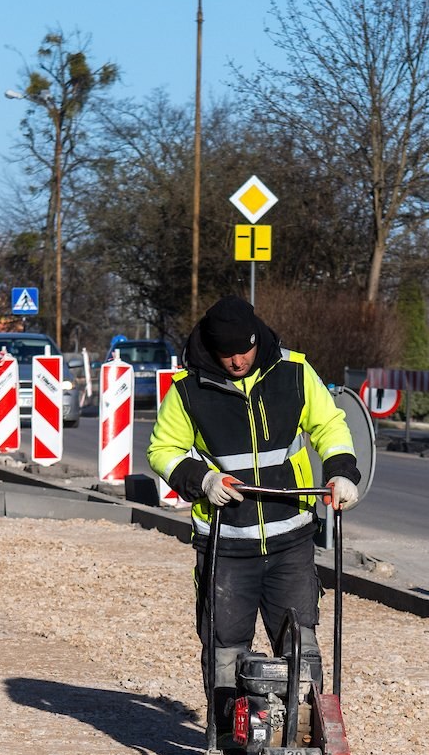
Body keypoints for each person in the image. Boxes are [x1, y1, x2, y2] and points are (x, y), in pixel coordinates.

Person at [147, 294, 360, 725]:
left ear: (256, 339)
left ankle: (305, 730)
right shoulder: (188, 390)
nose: (237, 360)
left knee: (301, 640)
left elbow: (329, 425)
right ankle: (227, 736)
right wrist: (202, 481)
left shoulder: (294, 372)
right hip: (225, 545)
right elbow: (162, 449)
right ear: (211, 348)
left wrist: (341, 472)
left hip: (291, 538)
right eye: (227, 354)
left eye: (244, 350)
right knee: (225, 646)